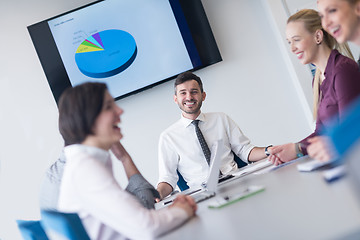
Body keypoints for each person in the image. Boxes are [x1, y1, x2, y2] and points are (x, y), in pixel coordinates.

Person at [57, 82, 197, 240]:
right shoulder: (85, 168)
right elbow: (146, 227)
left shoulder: (84, 162)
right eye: (109, 107)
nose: (120, 110)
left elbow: (136, 217)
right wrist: (183, 210)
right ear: (88, 118)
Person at [156, 71, 275, 200]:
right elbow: (168, 178)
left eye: (194, 92)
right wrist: (157, 195)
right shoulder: (168, 137)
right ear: (175, 99)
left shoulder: (221, 119)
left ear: (203, 95)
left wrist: (270, 150)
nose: (189, 97)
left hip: (237, 183)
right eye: (183, 93)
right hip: (203, 195)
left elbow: (245, 151)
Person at [268, 9, 360, 165]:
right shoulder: (317, 79)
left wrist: (298, 149)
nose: (292, 48)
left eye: (296, 40)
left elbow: (349, 132)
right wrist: (293, 148)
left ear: (318, 36)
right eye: (289, 42)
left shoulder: (343, 70)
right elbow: (320, 132)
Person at [305, 0, 360, 161]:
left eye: (332, 11)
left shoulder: (344, 68)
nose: (326, 23)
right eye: (322, 16)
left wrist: (337, 140)